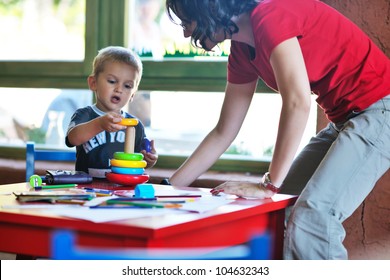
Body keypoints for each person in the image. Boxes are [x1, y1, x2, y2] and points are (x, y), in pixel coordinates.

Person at [165, 0, 390, 259]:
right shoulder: (241, 51)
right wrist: (168, 187)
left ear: (209, 8)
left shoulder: (270, 15)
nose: (184, 33)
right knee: (279, 209)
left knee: (313, 217)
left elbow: (297, 102)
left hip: (380, 111)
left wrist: (269, 185)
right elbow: (223, 132)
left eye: (186, 21)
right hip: (345, 120)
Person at [65, 46, 158, 178]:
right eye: (112, 81)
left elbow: (138, 162)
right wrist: (100, 124)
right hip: (87, 189)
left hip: (122, 191)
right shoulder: (84, 114)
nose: (119, 89)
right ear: (93, 83)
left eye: (127, 86)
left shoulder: (135, 125)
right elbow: (72, 139)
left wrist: (149, 160)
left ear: (133, 94)